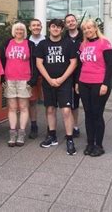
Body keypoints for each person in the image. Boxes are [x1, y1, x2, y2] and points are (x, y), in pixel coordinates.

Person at [35, 19, 78, 155]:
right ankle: (51, 136)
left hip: (64, 83)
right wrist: (49, 79)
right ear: (49, 28)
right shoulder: (43, 44)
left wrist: (61, 79)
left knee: (66, 111)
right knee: (50, 110)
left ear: (62, 29)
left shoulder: (68, 44)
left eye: (58, 27)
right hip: (48, 83)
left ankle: (70, 139)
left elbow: (73, 63)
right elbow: (39, 63)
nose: (55, 29)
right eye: (53, 27)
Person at [76, 19, 112, 157]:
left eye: (89, 27)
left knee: (97, 114)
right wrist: (77, 83)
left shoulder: (104, 43)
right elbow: (80, 66)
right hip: (84, 82)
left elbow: (110, 66)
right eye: (85, 29)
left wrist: (105, 84)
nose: (87, 30)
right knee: (88, 113)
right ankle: (90, 143)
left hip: (99, 83)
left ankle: (99, 145)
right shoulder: (83, 45)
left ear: (95, 28)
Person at [0, 22, 38, 147]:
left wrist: (33, 79)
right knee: (11, 107)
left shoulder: (30, 44)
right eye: (17, 29)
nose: (19, 31)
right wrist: (1, 78)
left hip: (24, 79)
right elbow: (2, 60)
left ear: (25, 32)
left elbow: (34, 62)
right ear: (13, 31)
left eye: (21, 29)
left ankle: (21, 133)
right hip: (9, 79)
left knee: (23, 107)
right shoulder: (7, 43)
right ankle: (12, 133)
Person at [64, 14, 82, 138]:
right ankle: (69, 126)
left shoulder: (84, 36)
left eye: (73, 21)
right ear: (65, 25)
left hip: (81, 74)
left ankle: (75, 126)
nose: (71, 23)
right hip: (66, 75)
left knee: (75, 103)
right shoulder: (63, 38)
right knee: (67, 104)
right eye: (68, 21)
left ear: (76, 22)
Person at [27, 18, 45, 139]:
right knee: (32, 101)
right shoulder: (25, 42)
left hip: (45, 76)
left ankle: (51, 128)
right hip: (32, 76)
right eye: (34, 25)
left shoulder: (47, 40)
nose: (36, 27)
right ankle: (34, 126)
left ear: (41, 27)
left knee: (49, 102)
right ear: (29, 28)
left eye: (38, 25)